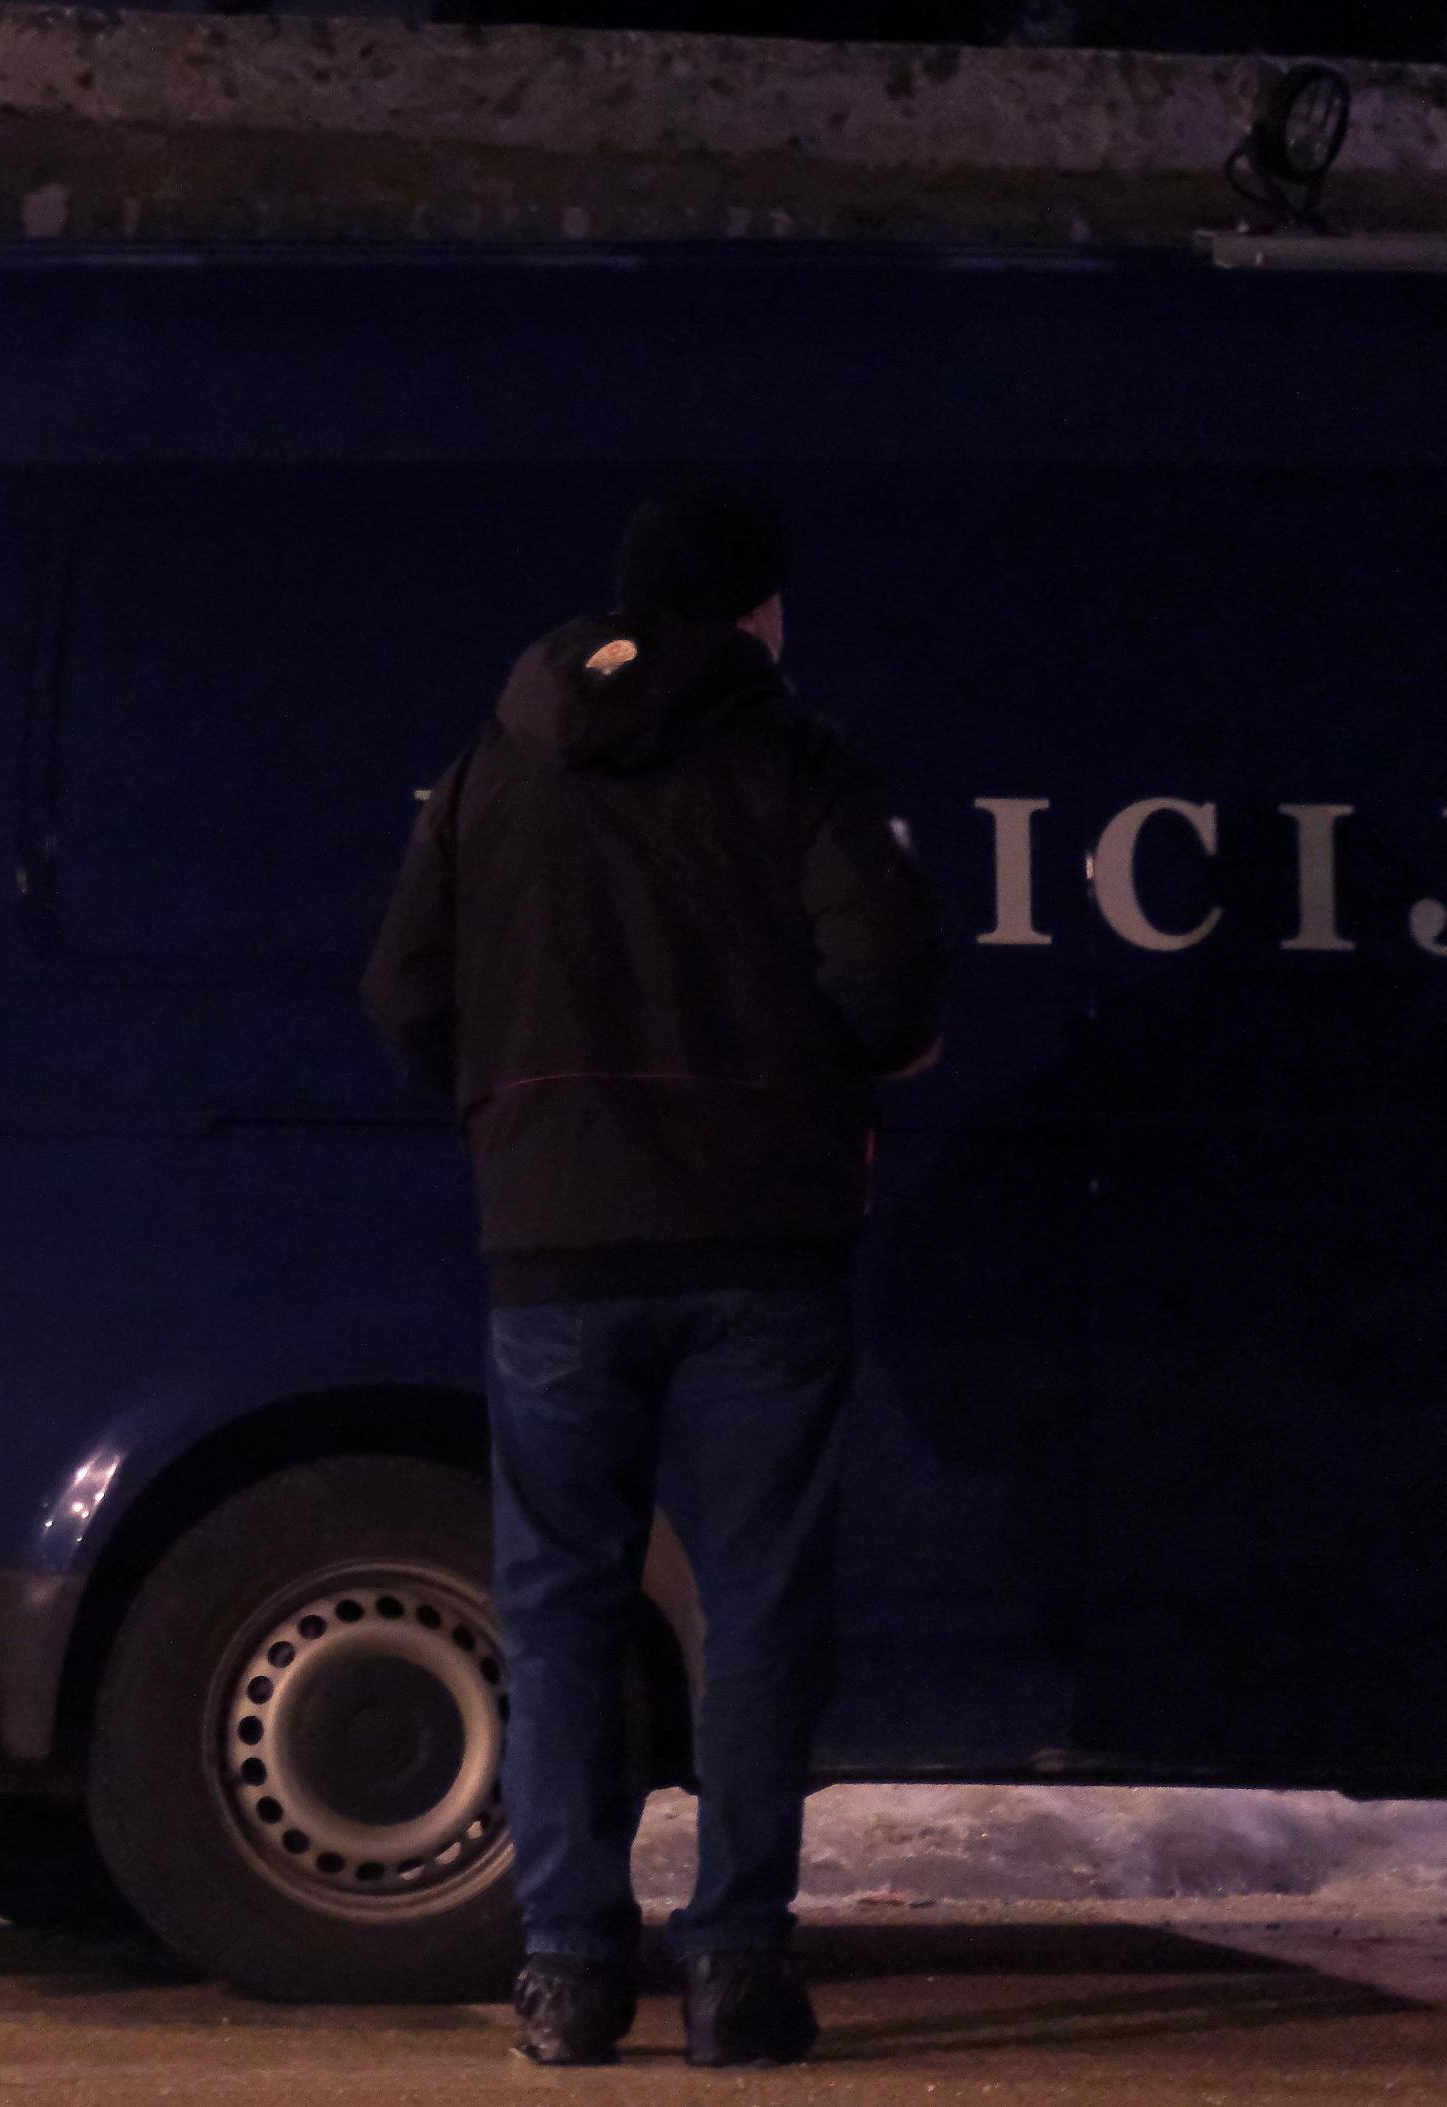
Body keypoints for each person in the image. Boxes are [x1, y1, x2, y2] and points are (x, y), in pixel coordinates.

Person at [362, 480, 945, 2070]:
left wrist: (511, 1112)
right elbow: (886, 980)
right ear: (753, 609)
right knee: (755, 1605)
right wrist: (837, 1078)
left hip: (555, 1246)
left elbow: (404, 988)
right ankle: (739, 1969)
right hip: (763, 1244)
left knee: (557, 1611)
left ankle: (565, 1969)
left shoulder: (501, 763)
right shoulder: (798, 761)